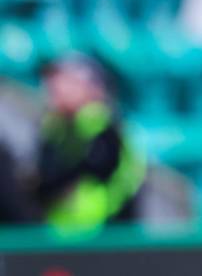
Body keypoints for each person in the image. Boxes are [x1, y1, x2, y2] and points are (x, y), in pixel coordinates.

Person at [35, 53, 146, 230]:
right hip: (60, 234)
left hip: (104, 235)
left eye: (67, 81)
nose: (56, 87)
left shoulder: (106, 130)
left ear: (92, 88)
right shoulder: (54, 130)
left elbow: (113, 183)